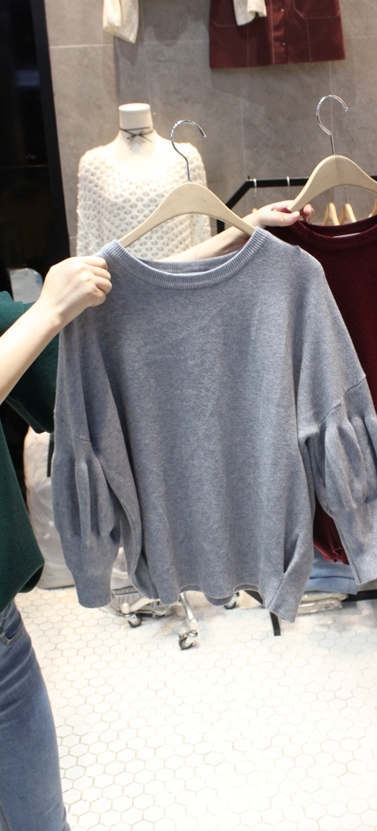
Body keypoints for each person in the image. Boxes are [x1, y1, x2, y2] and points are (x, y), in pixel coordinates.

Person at [0, 201, 310, 831]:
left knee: (41, 821)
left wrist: (231, 239)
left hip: (2, 627)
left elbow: (131, 297)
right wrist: (49, 310)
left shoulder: (295, 278)